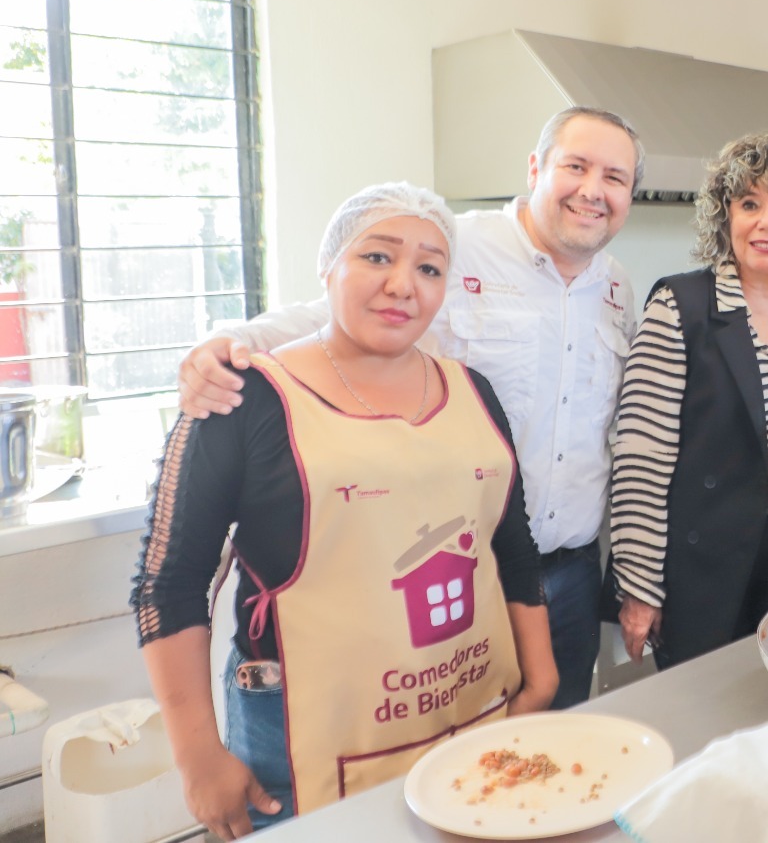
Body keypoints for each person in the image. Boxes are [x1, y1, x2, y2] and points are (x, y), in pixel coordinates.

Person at [173, 107, 642, 710]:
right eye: (575, 166)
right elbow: (334, 315)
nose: (592, 190)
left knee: (555, 746)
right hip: (458, 565)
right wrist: (227, 344)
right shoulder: (457, 245)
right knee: (441, 745)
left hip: (573, 572)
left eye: (614, 177)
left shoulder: (617, 285)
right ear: (535, 168)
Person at [132, 183, 558, 839]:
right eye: (377, 258)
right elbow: (170, 583)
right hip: (303, 739)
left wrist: (543, 670)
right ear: (328, 267)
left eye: (429, 268)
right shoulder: (243, 399)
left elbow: (512, 543)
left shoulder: (474, 391)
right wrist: (196, 757)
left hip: (473, 713)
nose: (402, 285)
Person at [607, 133, 768, 669]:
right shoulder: (680, 306)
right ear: (725, 218)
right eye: (750, 203)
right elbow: (641, 456)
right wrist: (640, 587)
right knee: (710, 714)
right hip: (706, 562)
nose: (767, 222)